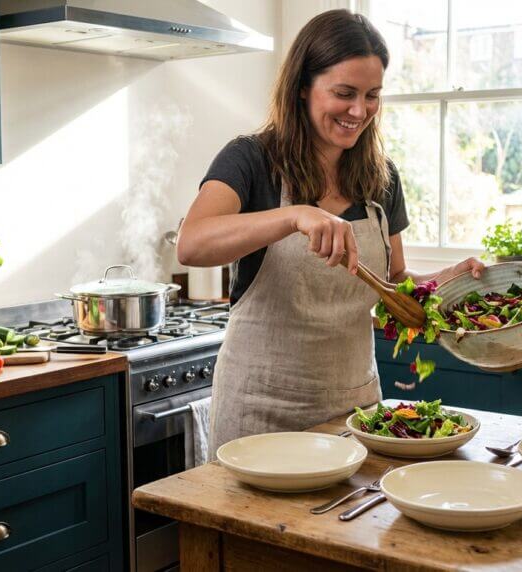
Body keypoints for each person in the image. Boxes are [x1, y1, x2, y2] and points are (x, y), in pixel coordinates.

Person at [177, 9, 484, 451]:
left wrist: (447, 282)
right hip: (260, 411)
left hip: (354, 410)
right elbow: (192, 243)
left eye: (372, 95)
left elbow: (394, 285)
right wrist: (294, 215)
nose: (360, 111)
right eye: (345, 93)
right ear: (303, 88)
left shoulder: (383, 178)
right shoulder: (250, 160)